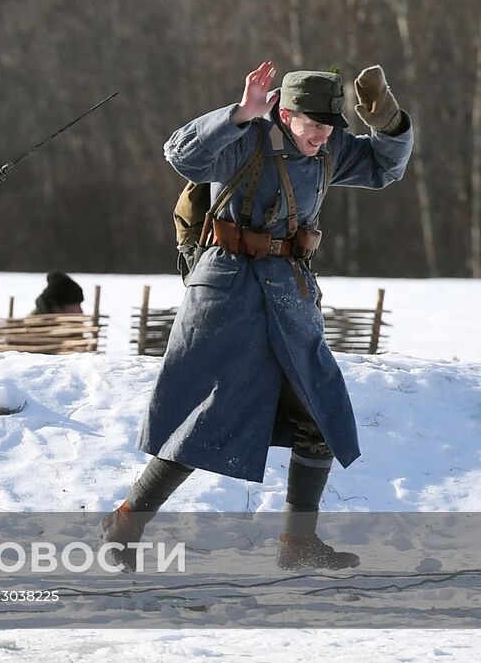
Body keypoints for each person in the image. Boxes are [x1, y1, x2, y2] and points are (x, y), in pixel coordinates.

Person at [103, 62, 414, 570]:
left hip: (290, 295)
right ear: (285, 115)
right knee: (209, 413)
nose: (322, 137)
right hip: (228, 293)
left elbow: (385, 167)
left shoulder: (330, 147)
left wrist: (390, 122)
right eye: (313, 127)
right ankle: (127, 520)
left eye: (330, 127)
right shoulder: (247, 140)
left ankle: (297, 543)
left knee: (320, 410)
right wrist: (238, 114)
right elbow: (181, 154)